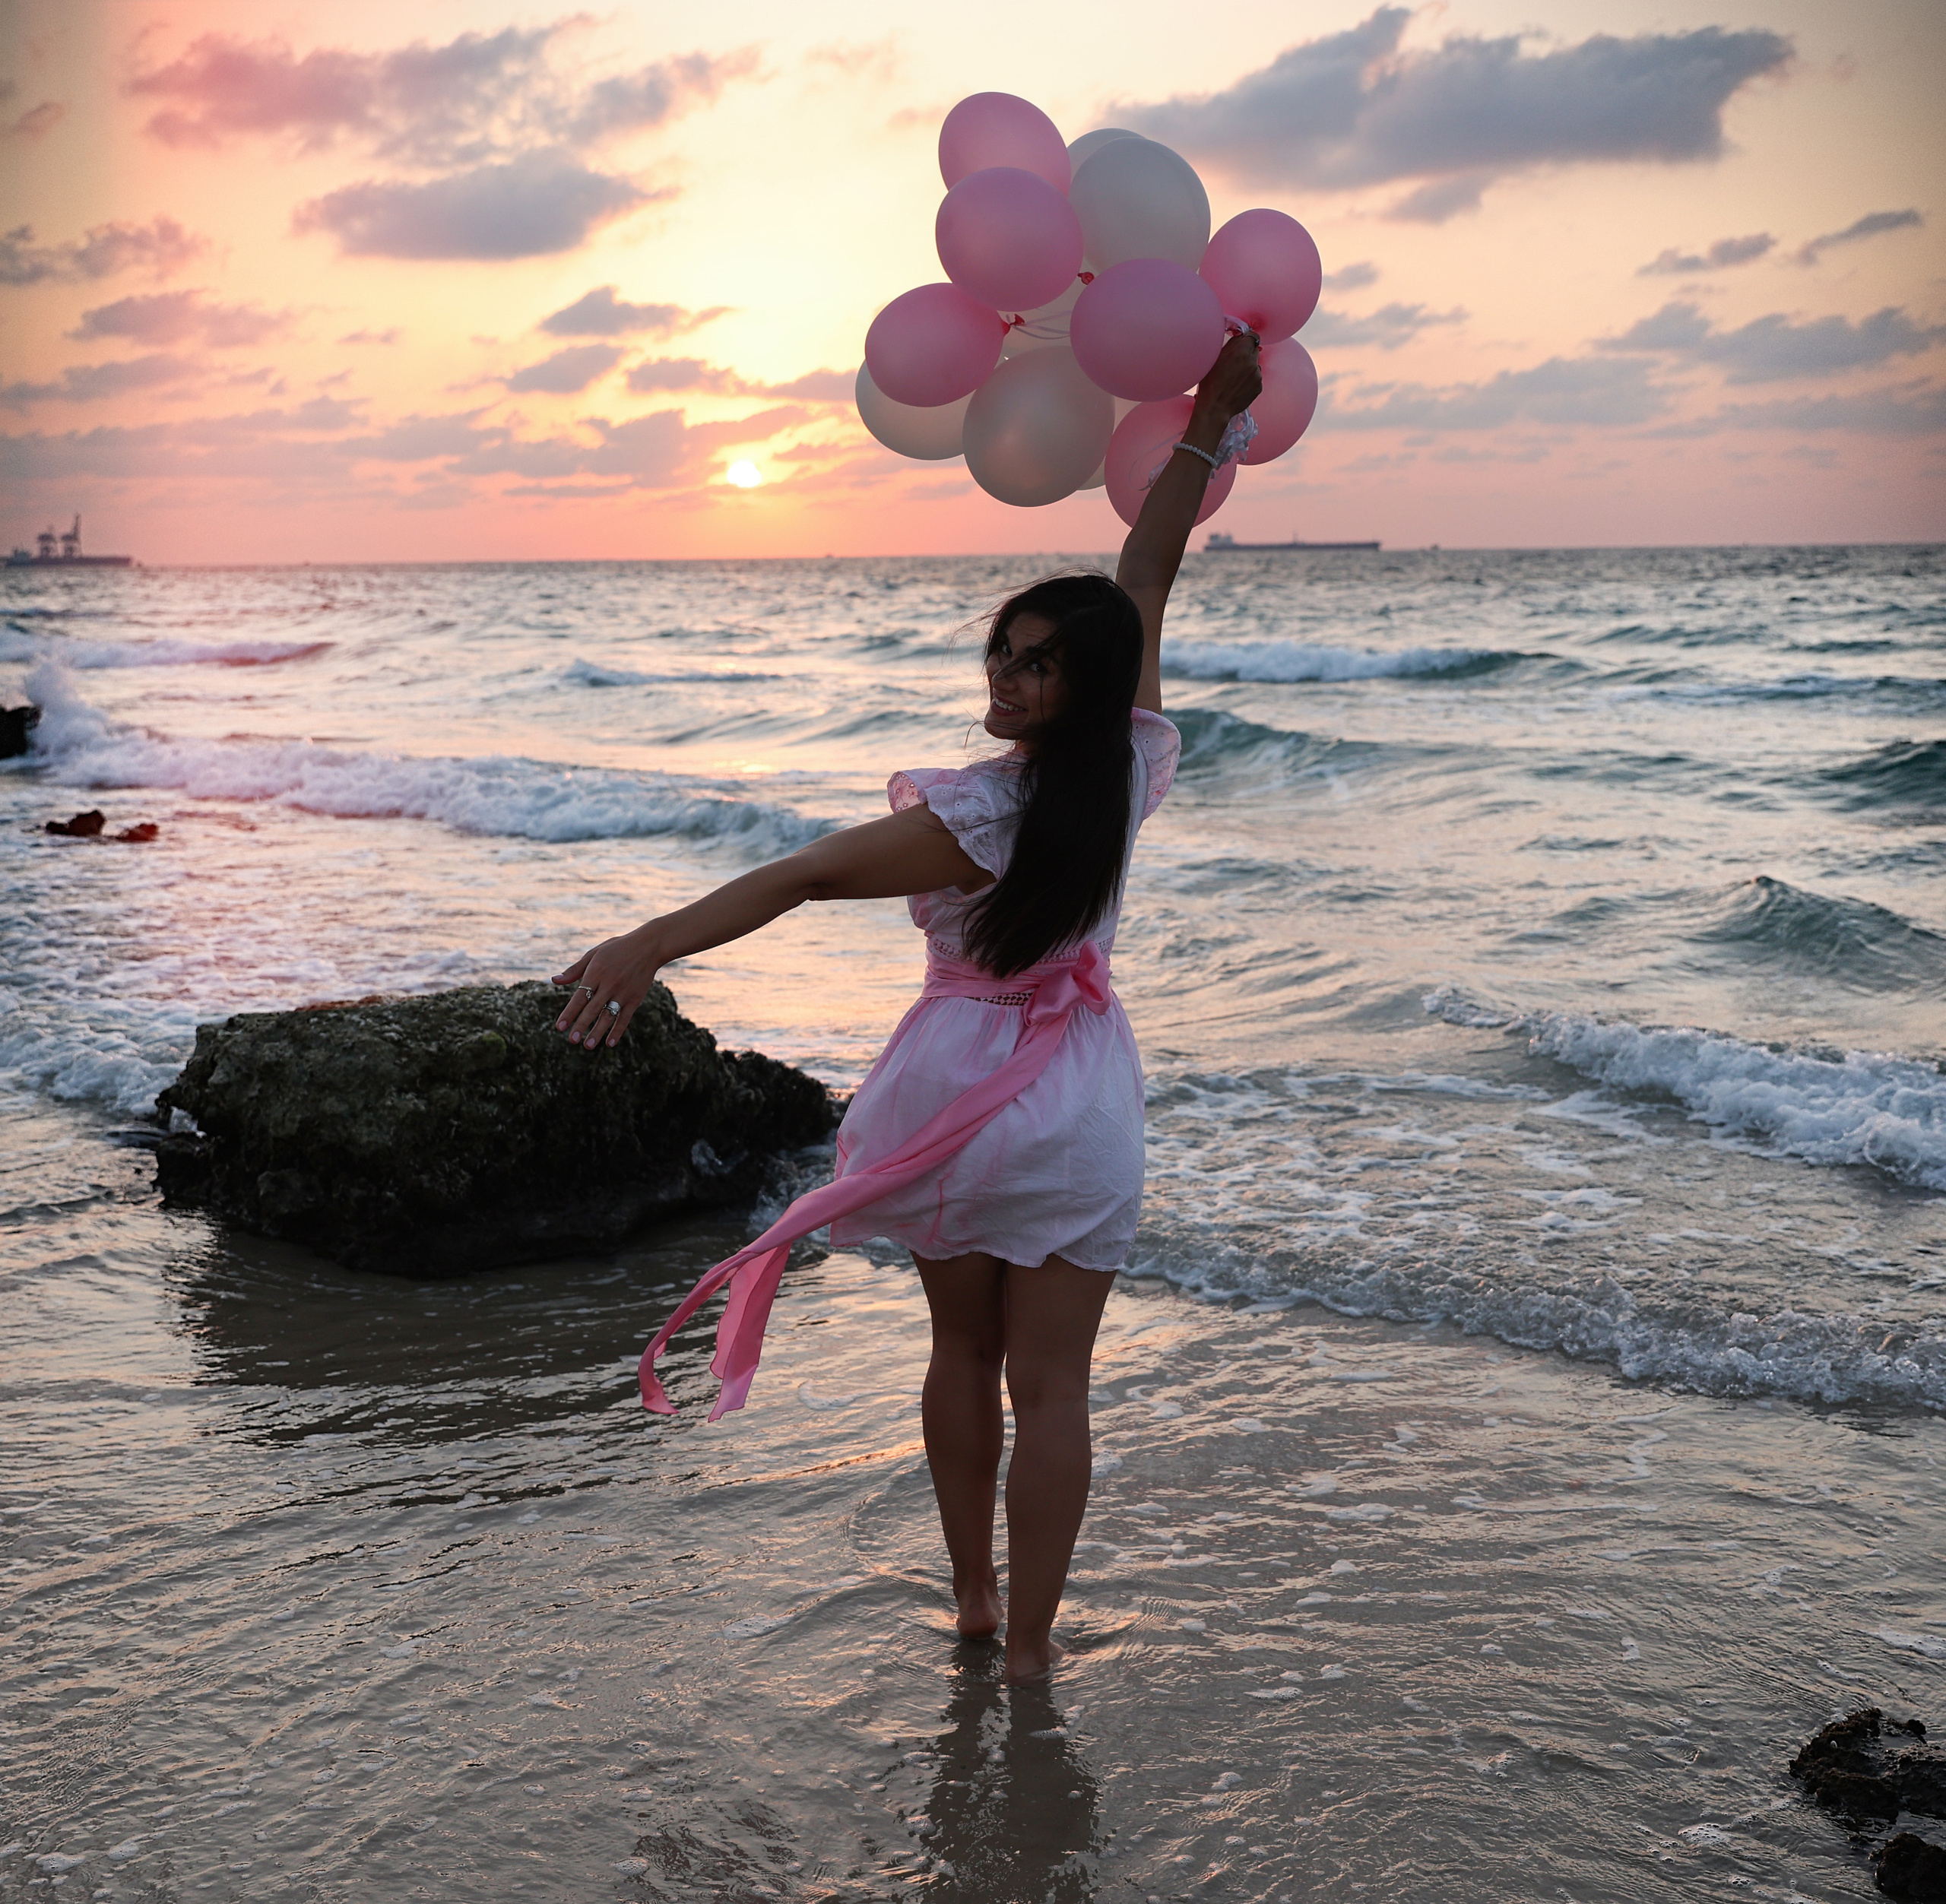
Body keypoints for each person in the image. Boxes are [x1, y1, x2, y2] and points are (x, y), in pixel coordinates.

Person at [553, 331, 1263, 1685]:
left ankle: (977, 1605)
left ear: (1080, 685)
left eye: (1036, 664)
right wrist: (1208, 424)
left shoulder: (976, 813)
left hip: (958, 1092)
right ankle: (1034, 1648)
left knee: (961, 1352)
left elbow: (807, 873)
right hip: (1079, 1098)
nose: (1007, 675)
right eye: (1005, 651)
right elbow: (1145, 576)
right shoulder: (1124, 769)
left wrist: (651, 941)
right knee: (1055, 1385)